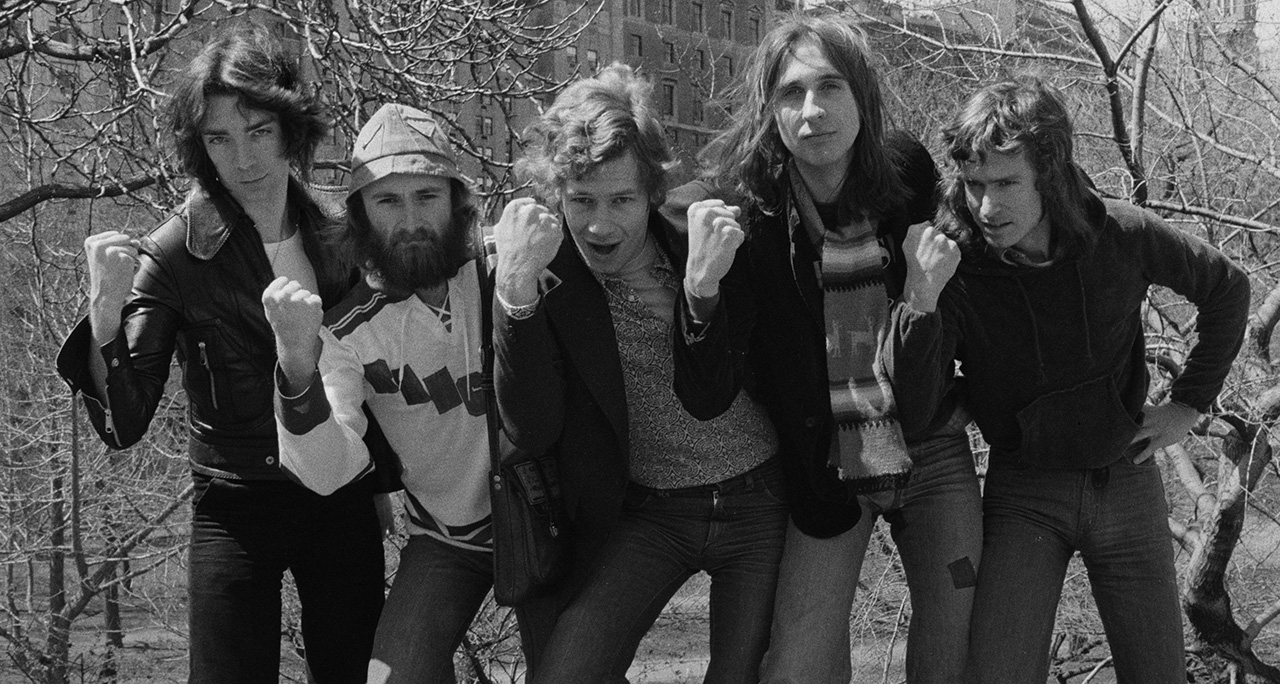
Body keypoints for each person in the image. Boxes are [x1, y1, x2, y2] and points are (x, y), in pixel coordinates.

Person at [888, 76, 1250, 683]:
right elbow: (918, 409)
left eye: (1005, 183)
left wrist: (1188, 402)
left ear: (1048, 174)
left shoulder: (1122, 233)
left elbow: (1227, 289)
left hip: (1125, 479)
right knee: (996, 674)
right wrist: (919, 300)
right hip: (1024, 492)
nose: (987, 206)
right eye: (974, 185)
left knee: (1157, 673)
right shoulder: (957, 261)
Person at [54, 27, 385, 683]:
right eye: (219, 137)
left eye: (259, 130)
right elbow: (124, 423)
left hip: (337, 492)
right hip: (234, 502)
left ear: (290, 127)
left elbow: (376, 375)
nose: (244, 156)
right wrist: (103, 317)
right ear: (198, 146)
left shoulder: (339, 236)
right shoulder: (176, 252)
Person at [666, 9, 982, 683]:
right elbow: (704, 392)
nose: (812, 110)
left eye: (830, 87)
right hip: (827, 465)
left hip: (928, 442)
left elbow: (975, 270)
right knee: (797, 666)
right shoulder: (747, 219)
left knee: (955, 649)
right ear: (770, 110)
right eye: (791, 93)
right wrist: (698, 288)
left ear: (862, 97)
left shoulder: (906, 178)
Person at [492, 62, 789, 683]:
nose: (601, 225)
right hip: (650, 511)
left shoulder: (700, 233)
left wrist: (703, 287)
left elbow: (713, 390)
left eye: (622, 199)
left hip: (757, 497)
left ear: (652, 191)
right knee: (566, 671)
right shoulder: (548, 272)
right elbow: (533, 424)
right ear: (555, 195)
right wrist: (514, 295)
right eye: (582, 201)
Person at [263, 102, 494, 684]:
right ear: (360, 214)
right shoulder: (344, 332)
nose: (411, 219)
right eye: (388, 201)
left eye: (427, 197)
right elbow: (327, 470)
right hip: (448, 539)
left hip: (548, 525)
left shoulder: (503, 271)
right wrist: (296, 366)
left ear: (456, 202)